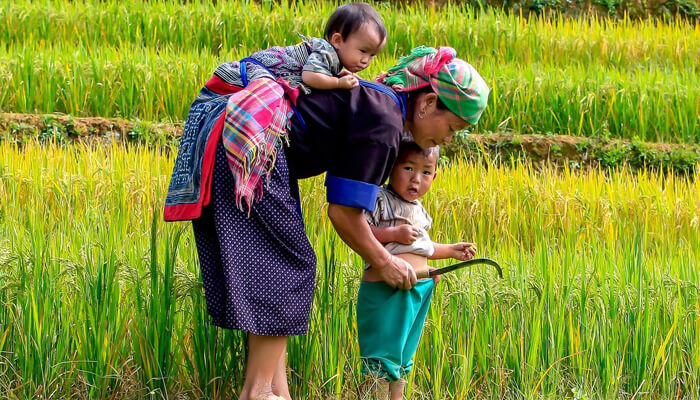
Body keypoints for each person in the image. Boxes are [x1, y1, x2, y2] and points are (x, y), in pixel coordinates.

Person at [163, 45, 490, 400]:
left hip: (248, 145)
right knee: (290, 265)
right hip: (254, 148)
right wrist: (385, 261)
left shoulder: (379, 109)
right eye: (453, 127)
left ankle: (276, 391)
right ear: (426, 104)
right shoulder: (385, 123)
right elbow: (343, 213)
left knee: (280, 266)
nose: (448, 139)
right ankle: (258, 392)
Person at [357, 142, 477, 399]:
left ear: (434, 176)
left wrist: (451, 250)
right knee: (381, 357)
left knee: (403, 357)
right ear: (391, 166)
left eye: (425, 172)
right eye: (408, 168)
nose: (416, 179)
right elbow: (360, 231)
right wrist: (392, 233)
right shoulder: (379, 198)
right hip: (386, 288)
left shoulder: (419, 210)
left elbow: (423, 247)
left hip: (419, 287)